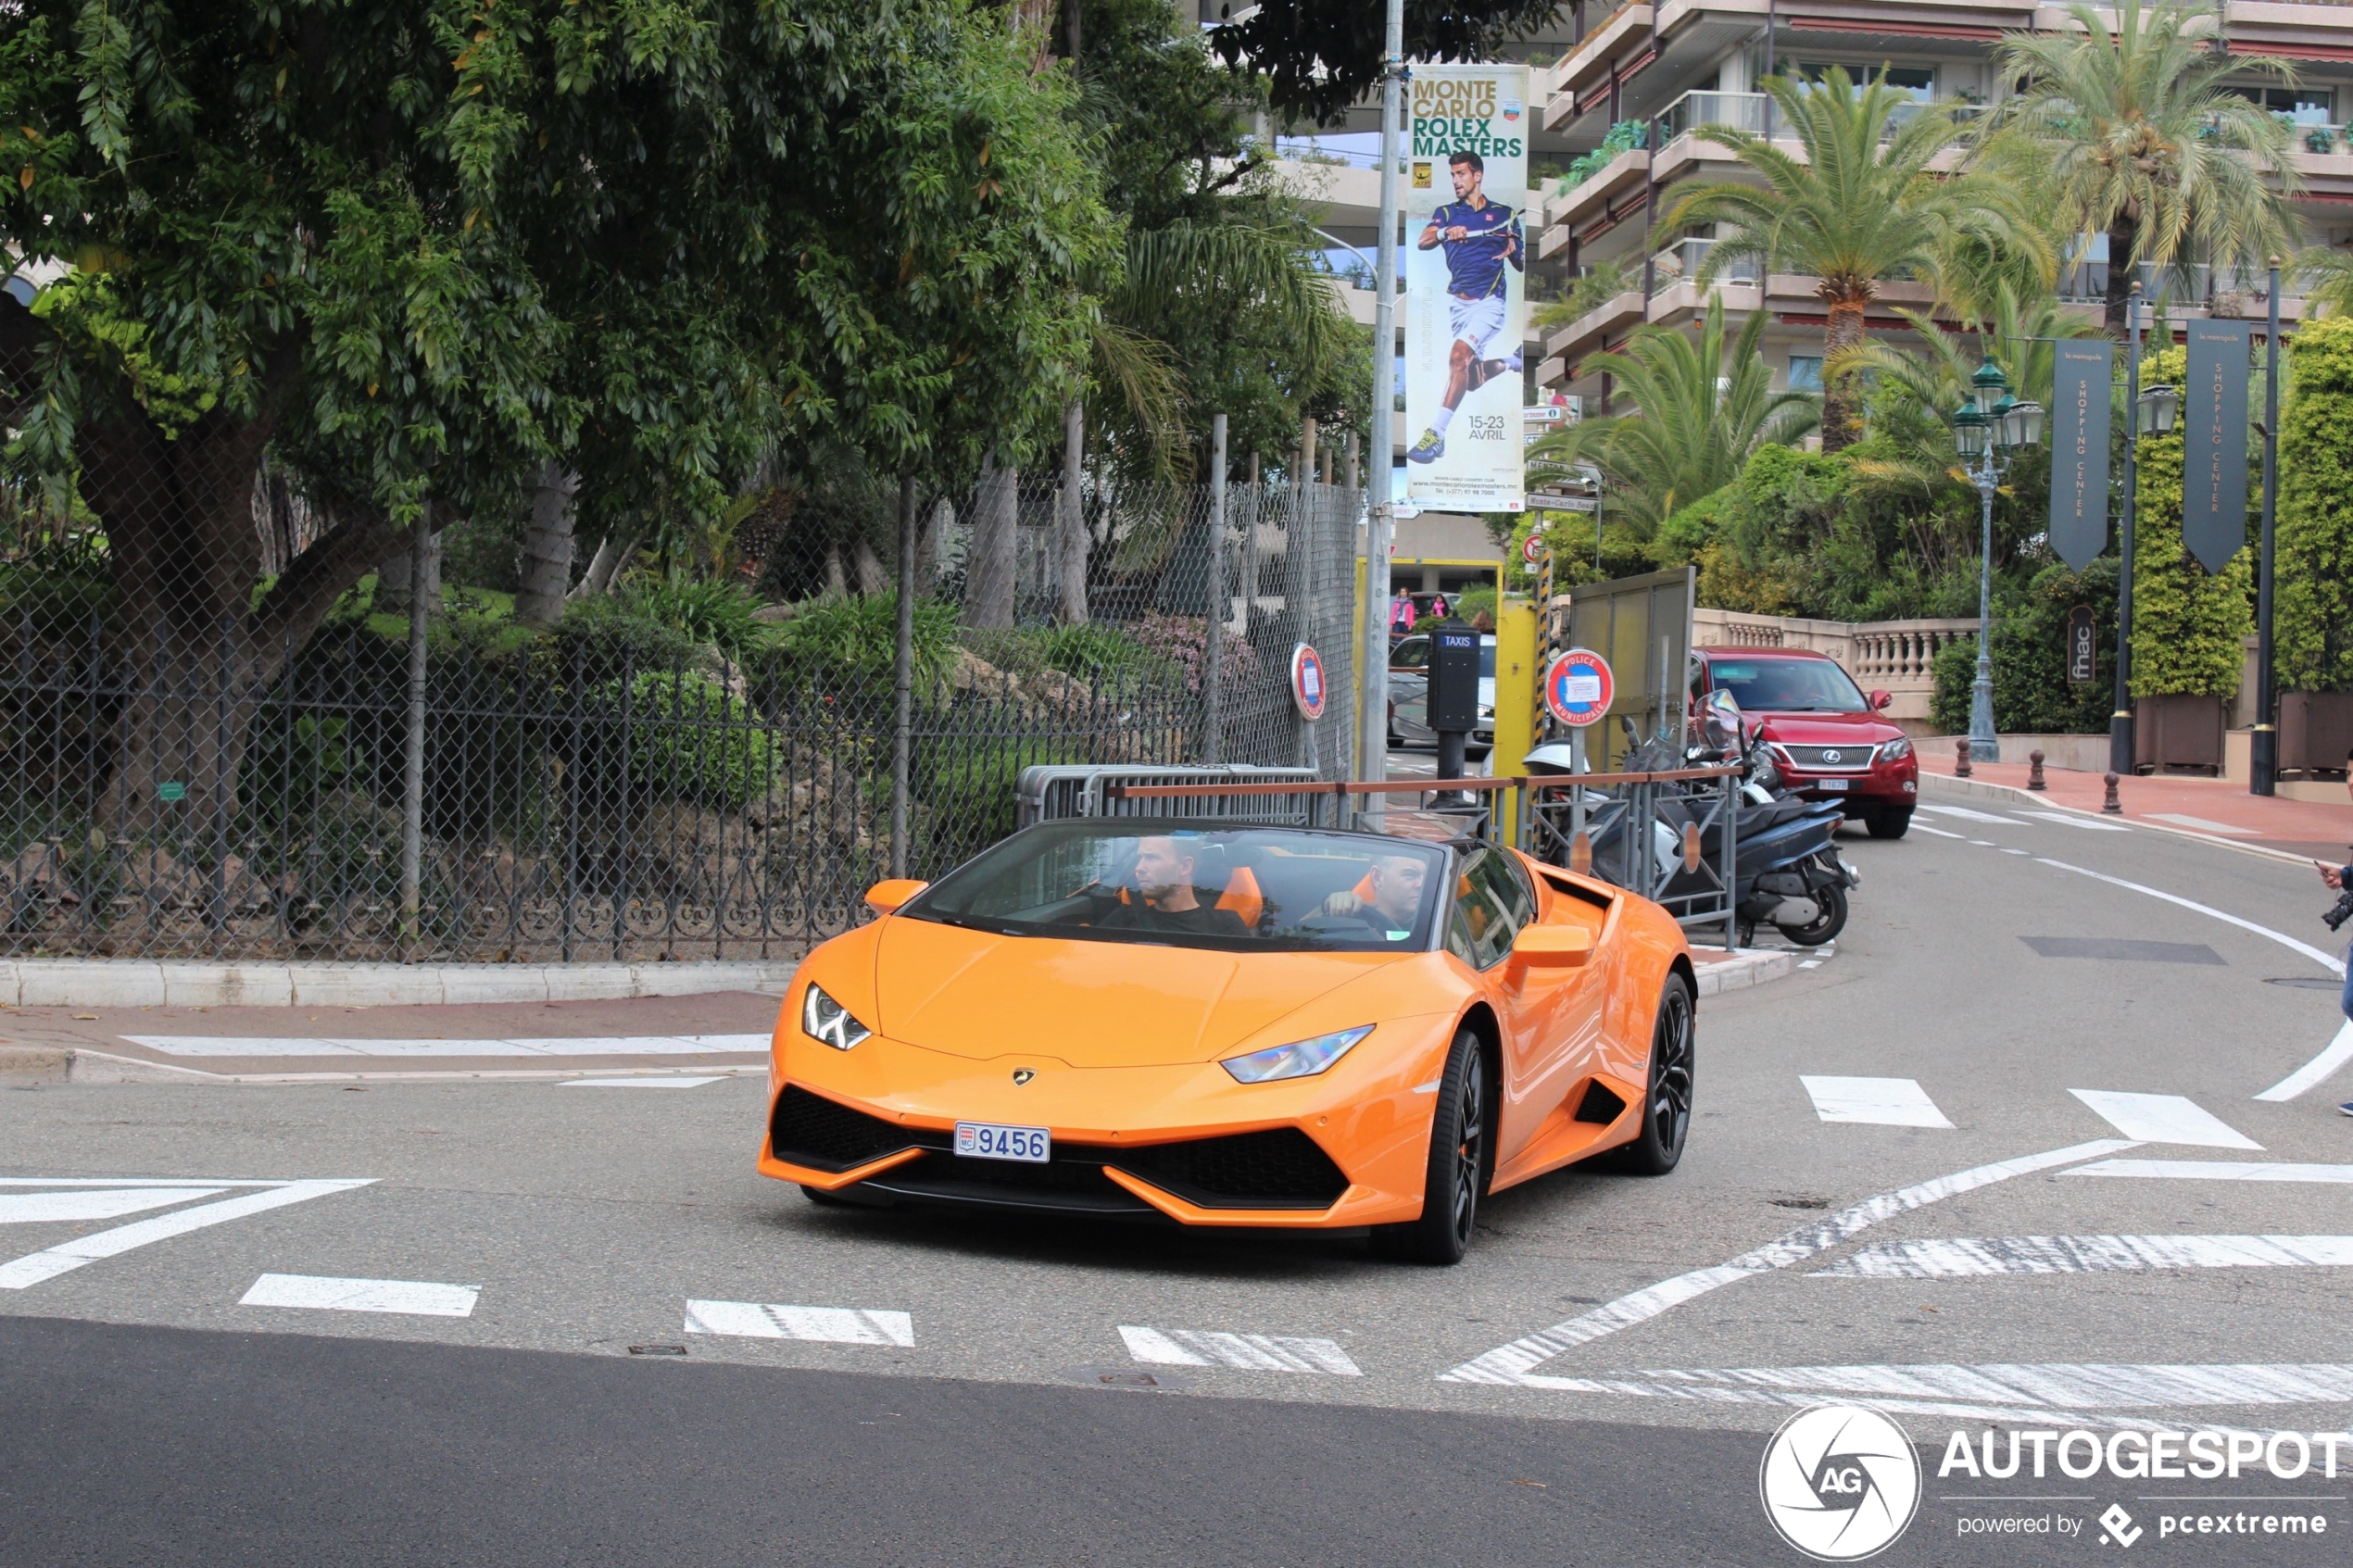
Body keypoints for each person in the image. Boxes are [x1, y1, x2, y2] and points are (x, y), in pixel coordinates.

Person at [1405, 150, 1524, 466]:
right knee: (1470, 380)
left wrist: (1513, 251)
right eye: (1453, 175)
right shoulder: (1447, 212)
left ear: (1477, 175)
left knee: (1457, 357)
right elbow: (1424, 240)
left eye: (1461, 174)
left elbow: (1522, 262)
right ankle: (1514, 361)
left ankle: (1436, 435)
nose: (1456, 180)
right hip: (1458, 304)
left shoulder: (1505, 214)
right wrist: (1446, 232)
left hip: (1490, 301)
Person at [1100, 835, 1250, 938]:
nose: (1138, 868)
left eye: (1152, 857)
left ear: (1185, 866)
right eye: (1140, 859)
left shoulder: (1225, 926)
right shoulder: (1123, 919)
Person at [1318, 854, 1429, 937]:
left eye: (1425, 877)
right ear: (1378, 877)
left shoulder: (1435, 927)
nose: (1421, 884)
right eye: (1410, 874)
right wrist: (1329, 906)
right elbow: (1305, 934)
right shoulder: (1349, 918)